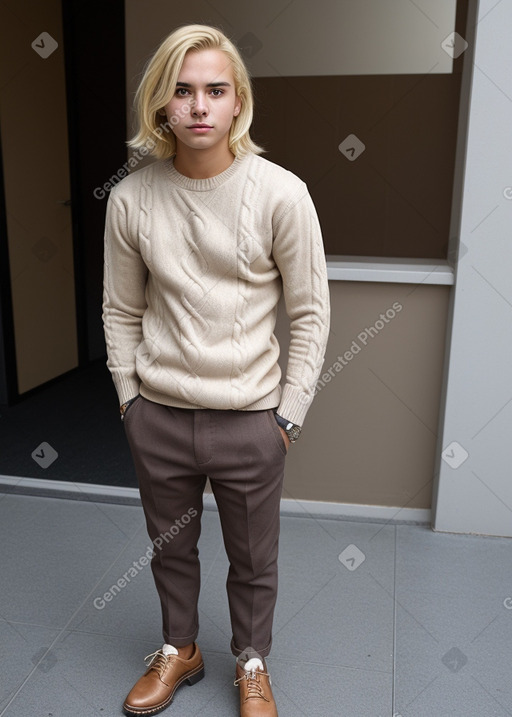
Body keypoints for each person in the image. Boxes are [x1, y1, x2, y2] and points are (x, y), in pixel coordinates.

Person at [102, 23, 330, 717]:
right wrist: (129, 403)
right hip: (160, 416)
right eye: (182, 90)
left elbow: (312, 312)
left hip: (252, 421)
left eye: (215, 90)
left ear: (238, 103)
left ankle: (251, 660)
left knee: (254, 559)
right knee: (169, 549)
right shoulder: (131, 198)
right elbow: (119, 310)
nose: (199, 105)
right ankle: (180, 647)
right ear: (162, 105)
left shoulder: (282, 194)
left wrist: (286, 414)